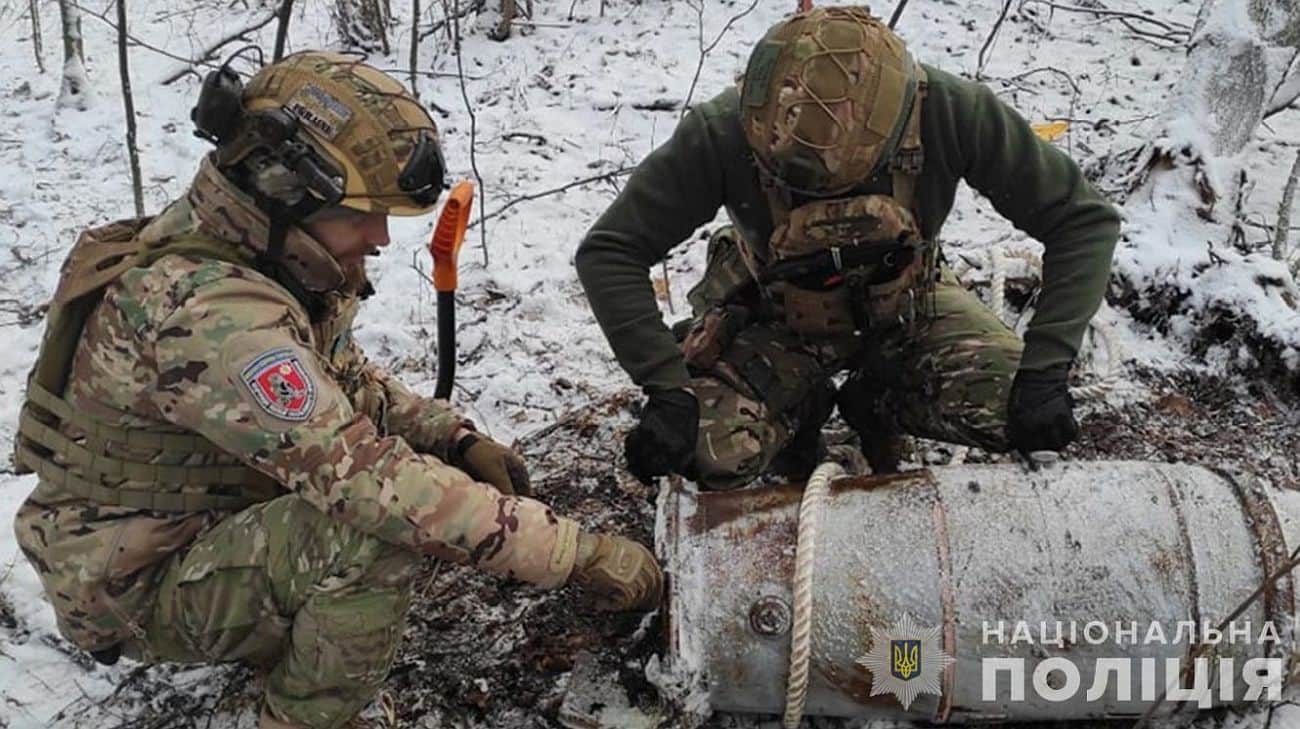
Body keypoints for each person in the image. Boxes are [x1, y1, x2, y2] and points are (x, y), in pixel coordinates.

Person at [12, 51, 661, 729]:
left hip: (179, 531)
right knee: (371, 531)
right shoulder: (213, 316)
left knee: (417, 488)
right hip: (129, 582)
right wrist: (574, 552)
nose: (379, 238)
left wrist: (452, 436)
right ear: (285, 192)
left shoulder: (255, 256)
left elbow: (348, 382)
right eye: (361, 215)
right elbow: (365, 481)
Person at [576, 6, 1122, 490]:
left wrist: (1045, 370)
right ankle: (800, 411)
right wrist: (668, 390)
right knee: (710, 448)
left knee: (1015, 412)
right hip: (778, 317)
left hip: (910, 306)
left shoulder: (953, 112)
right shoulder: (723, 133)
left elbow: (1081, 221)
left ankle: (878, 399)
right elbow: (612, 250)